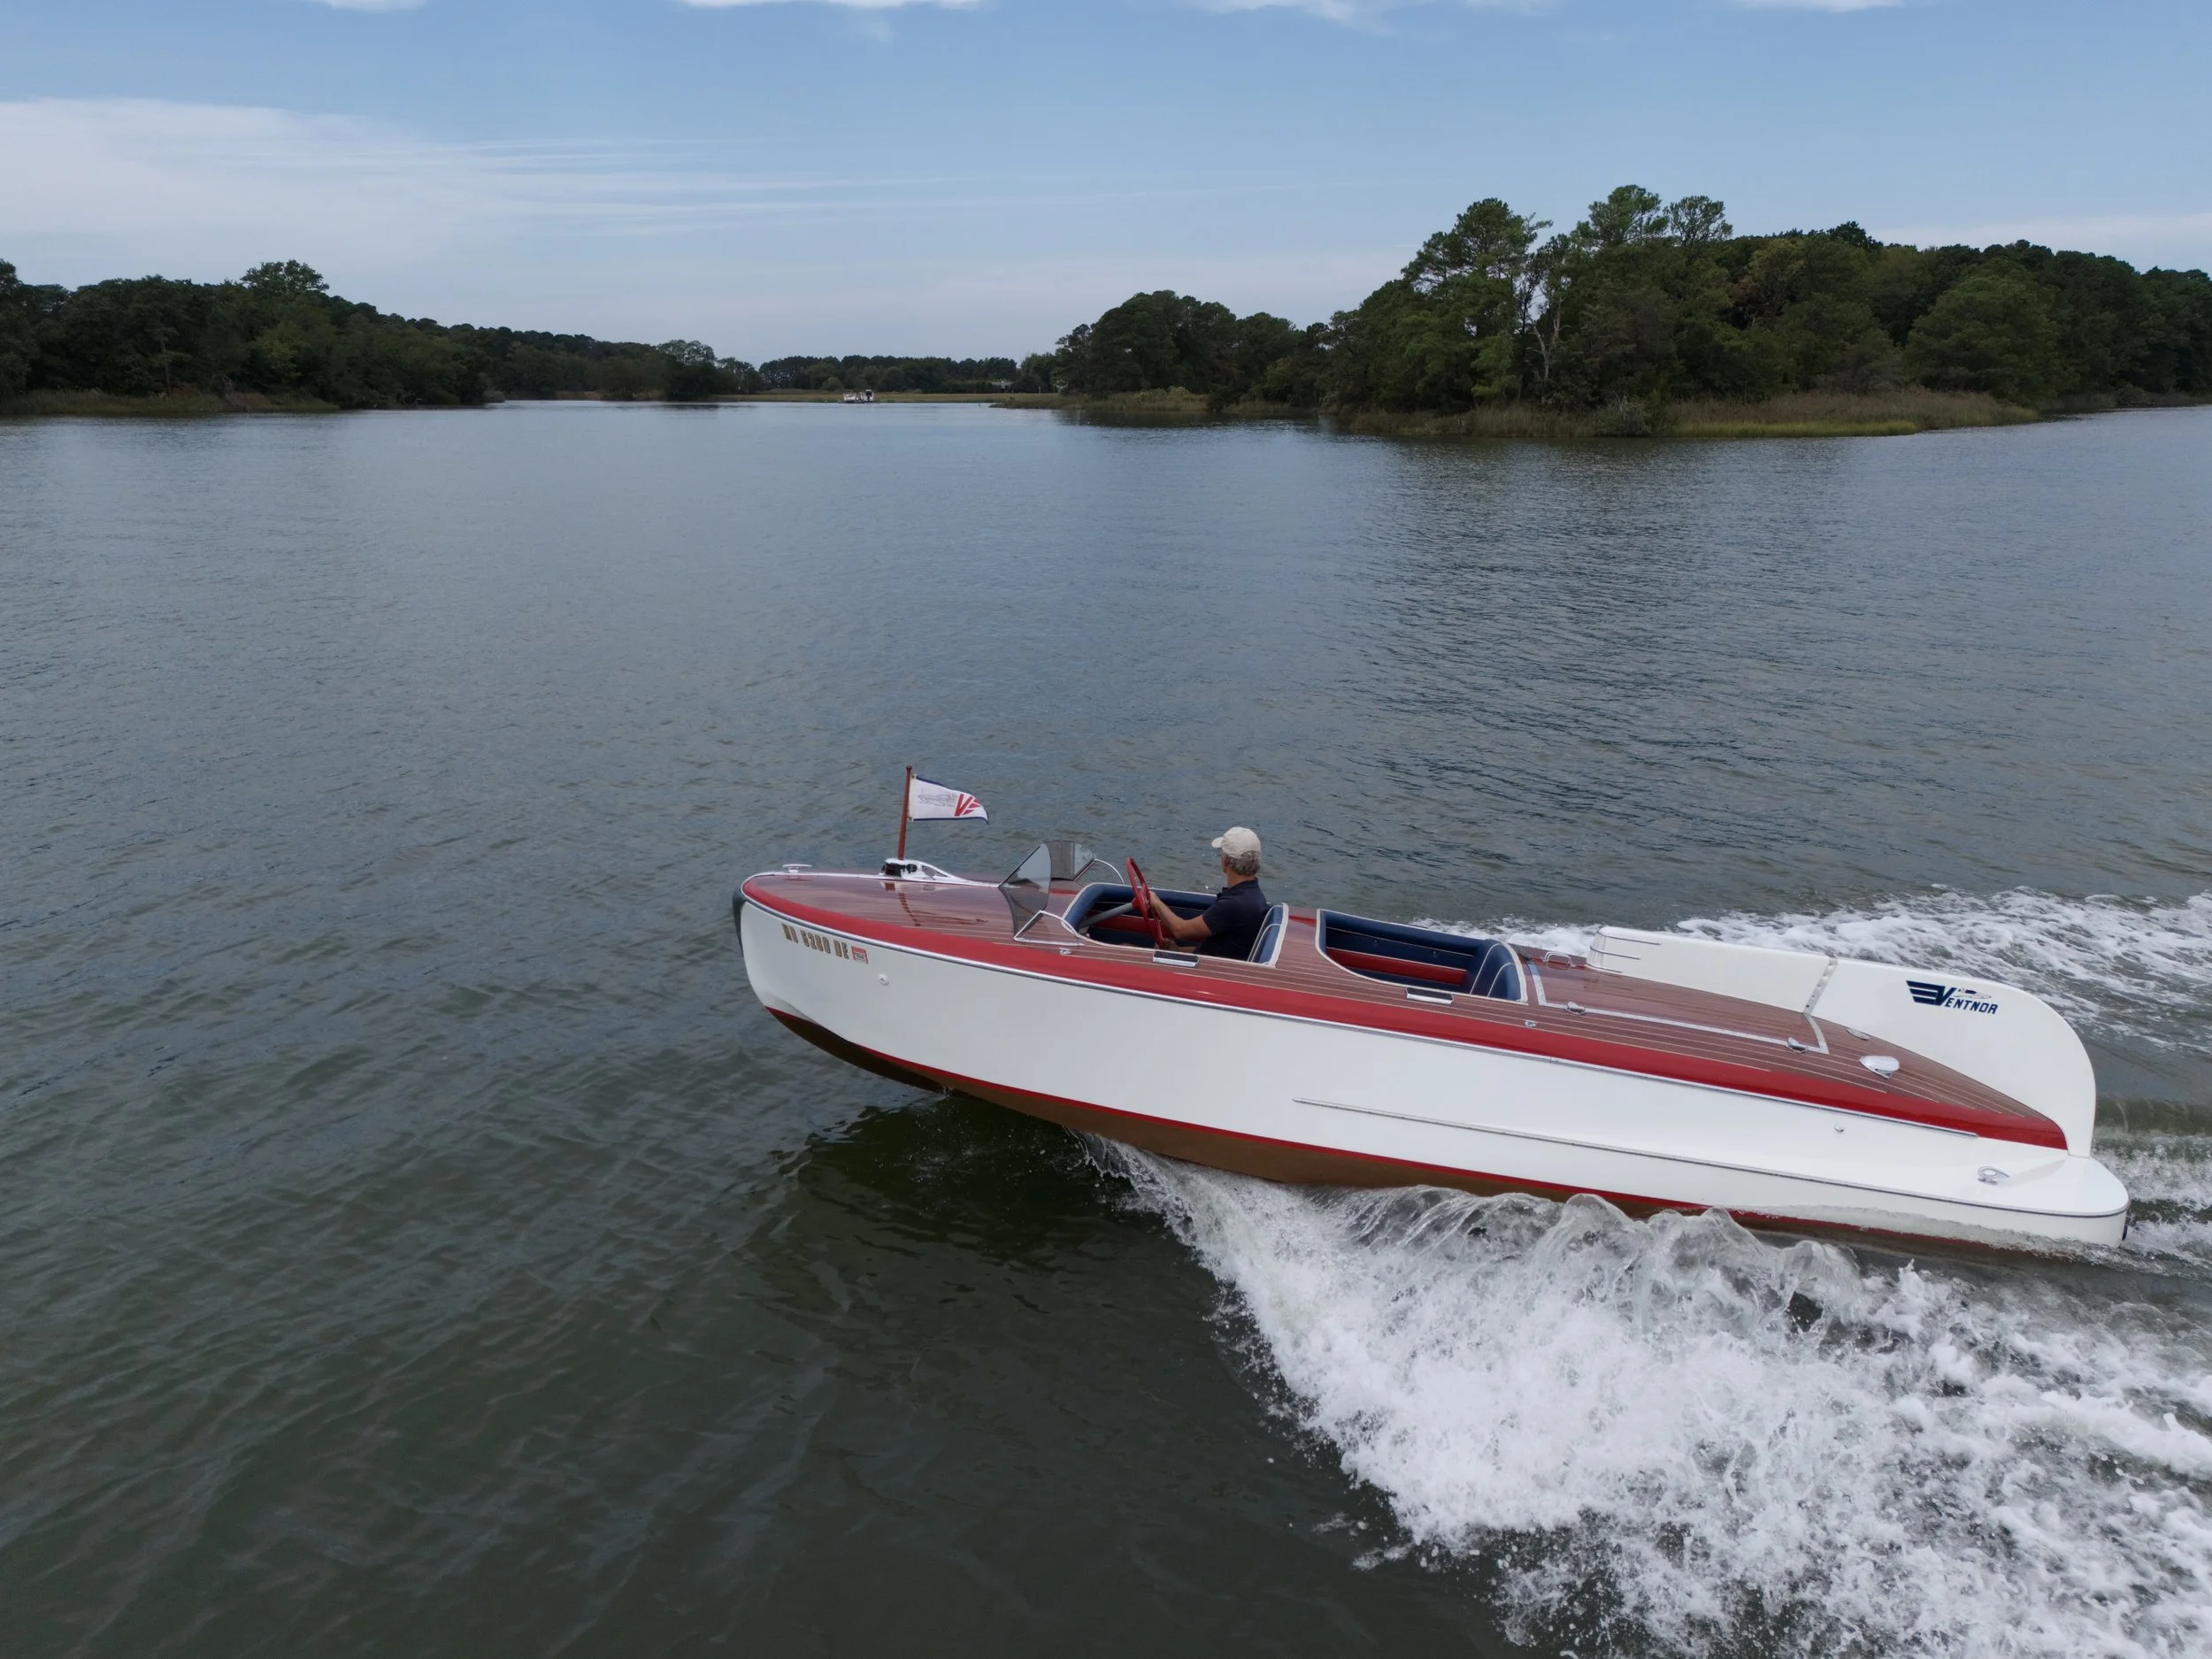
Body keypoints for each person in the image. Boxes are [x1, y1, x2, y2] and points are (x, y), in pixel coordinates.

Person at [1148, 826, 1269, 959]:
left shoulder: (1233, 904)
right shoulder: (1254, 896)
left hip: (1204, 974)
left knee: (1126, 946)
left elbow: (1180, 930)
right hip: (1213, 967)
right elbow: (1217, 950)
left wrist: (1156, 902)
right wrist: (1178, 951)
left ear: (1226, 862)